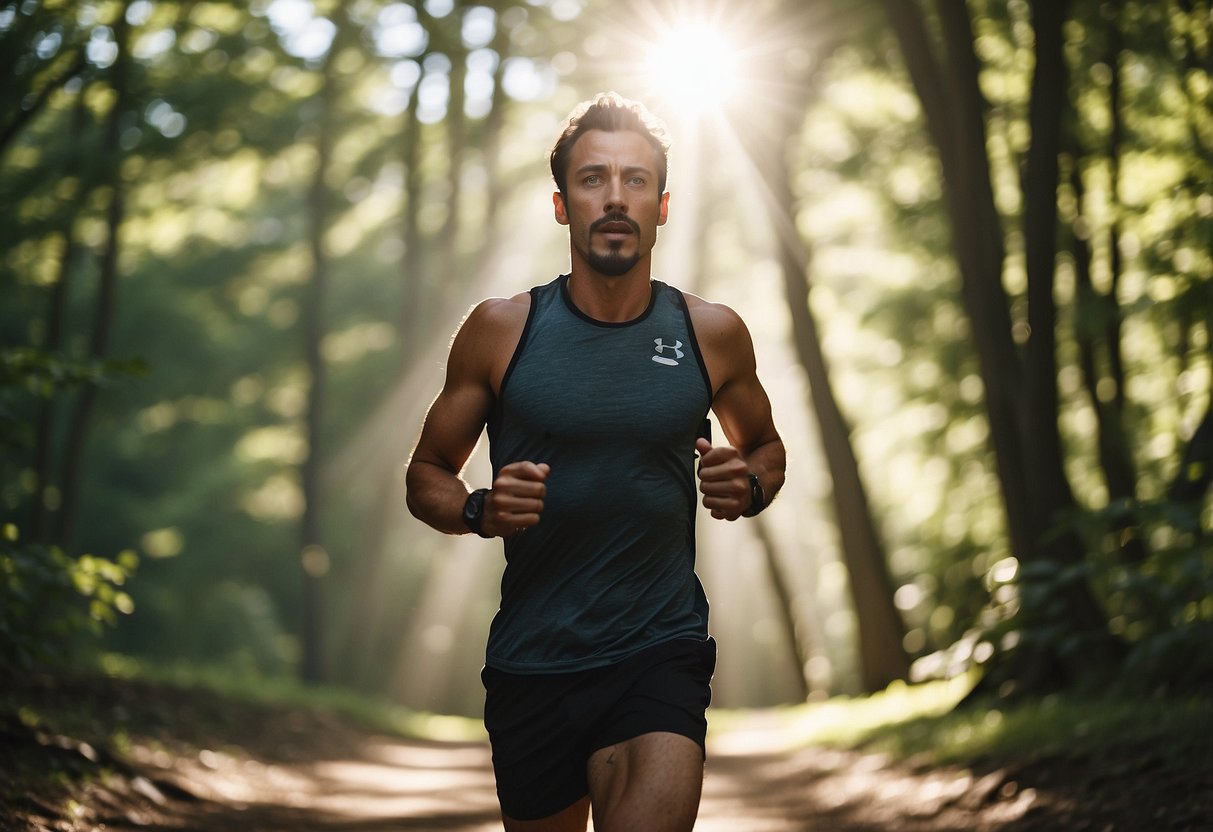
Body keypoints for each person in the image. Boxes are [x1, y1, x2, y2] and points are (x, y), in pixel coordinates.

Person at [405, 92, 785, 832]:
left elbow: (764, 447)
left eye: (636, 180)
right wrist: (479, 508)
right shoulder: (499, 331)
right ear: (561, 205)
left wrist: (753, 483)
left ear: (662, 205)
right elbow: (425, 474)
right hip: (532, 662)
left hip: (659, 649)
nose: (615, 197)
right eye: (593, 179)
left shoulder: (710, 333)